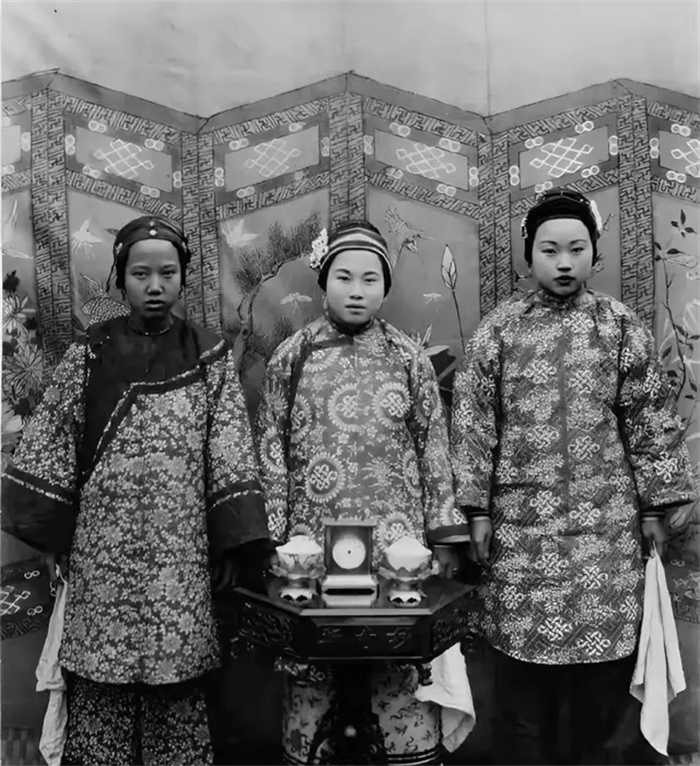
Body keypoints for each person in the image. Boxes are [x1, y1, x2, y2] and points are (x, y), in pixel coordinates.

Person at [2, 215, 270, 765]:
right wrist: (54, 536)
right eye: (140, 273)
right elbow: (54, 437)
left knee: (178, 686)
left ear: (183, 277)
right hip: (100, 553)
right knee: (101, 685)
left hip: (182, 555)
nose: (154, 285)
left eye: (167, 273)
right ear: (120, 278)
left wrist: (231, 543)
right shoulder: (90, 351)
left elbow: (229, 449)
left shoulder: (209, 355)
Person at [450, 188, 696, 765]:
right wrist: (476, 511)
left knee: (602, 691)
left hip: (606, 536)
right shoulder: (499, 332)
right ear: (529, 256)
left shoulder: (619, 326)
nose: (564, 262)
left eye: (576, 249)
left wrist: (654, 508)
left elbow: (648, 417)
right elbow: (473, 423)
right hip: (521, 535)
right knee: (522, 693)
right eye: (550, 250)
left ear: (594, 253)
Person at [255, 221, 470, 764]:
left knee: (398, 672)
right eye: (344, 277)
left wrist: (443, 538)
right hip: (310, 551)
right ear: (323, 282)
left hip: (397, 553)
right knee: (315, 675)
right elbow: (271, 450)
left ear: (385, 287)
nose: (356, 290)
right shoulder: (292, 357)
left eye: (370, 279)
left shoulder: (407, 358)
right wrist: (273, 543)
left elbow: (433, 448)